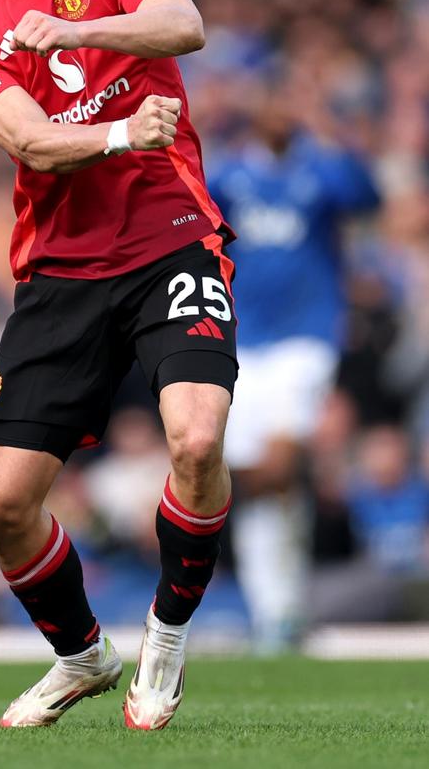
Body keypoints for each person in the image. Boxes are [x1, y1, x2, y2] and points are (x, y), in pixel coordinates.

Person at [0, 0, 237, 731]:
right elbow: (28, 140)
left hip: (172, 233)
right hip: (61, 268)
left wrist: (86, 25)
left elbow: (185, 25)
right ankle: (83, 656)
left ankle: (166, 638)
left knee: (195, 437)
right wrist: (116, 129)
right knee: (0, 501)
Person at [206, 89, 380, 650]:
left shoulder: (319, 169)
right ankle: (275, 611)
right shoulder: (231, 175)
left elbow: (366, 197)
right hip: (244, 339)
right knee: (256, 481)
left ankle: (280, 608)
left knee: (276, 465)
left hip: (307, 337)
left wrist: (328, 132)